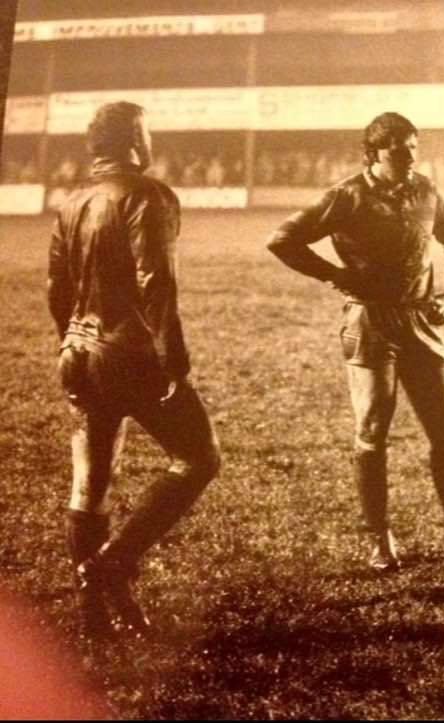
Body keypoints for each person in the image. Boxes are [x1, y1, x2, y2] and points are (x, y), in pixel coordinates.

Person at [267, 112, 444, 570]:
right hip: (370, 324)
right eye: (397, 149)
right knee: (372, 433)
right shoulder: (347, 196)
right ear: (373, 153)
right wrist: (337, 276)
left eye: (413, 147)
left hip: (421, 322)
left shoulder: (425, 190)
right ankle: (380, 541)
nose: (408, 156)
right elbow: (282, 239)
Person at [48, 101, 221, 638]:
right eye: (146, 133)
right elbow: (156, 282)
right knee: (198, 458)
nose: (151, 142)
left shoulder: (72, 201)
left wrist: (71, 344)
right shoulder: (148, 194)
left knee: (90, 484)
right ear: (131, 142)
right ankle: (115, 561)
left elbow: (57, 289)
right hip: (131, 356)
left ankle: (94, 615)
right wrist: (173, 356)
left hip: (78, 354)